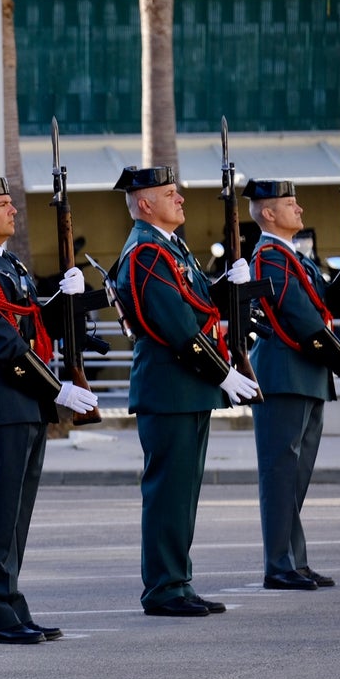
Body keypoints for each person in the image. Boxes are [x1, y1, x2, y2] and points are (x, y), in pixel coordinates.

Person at [0, 175, 98, 645]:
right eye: (3, 204)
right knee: (1, 515)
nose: (13, 210)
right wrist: (57, 390)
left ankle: (12, 608)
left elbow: (32, 324)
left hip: (24, 403)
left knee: (17, 516)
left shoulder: (7, 263)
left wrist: (67, 299)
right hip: (2, 403)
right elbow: (5, 344)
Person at [113, 166, 259, 617]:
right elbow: (177, 326)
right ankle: (163, 588)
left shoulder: (169, 248)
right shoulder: (145, 252)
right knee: (168, 494)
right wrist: (223, 373)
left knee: (183, 494)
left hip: (186, 387)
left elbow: (194, 303)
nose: (180, 199)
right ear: (144, 204)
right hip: (169, 388)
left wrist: (229, 286)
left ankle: (178, 580)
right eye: (169, 193)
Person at [244, 179, 340, 590]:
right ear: (269, 213)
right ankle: (278, 565)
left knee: (295, 476)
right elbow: (301, 318)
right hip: (284, 375)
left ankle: (294, 561)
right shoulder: (269, 257)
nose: (299, 208)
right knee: (280, 474)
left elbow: (322, 302)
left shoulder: (294, 258)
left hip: (307, 375)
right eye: (290, 203)